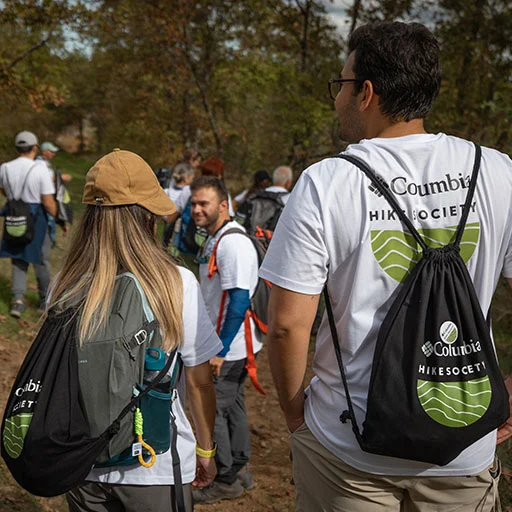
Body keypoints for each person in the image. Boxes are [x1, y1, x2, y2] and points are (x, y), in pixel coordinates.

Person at [259, 21, 512, 512]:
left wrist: (295, 414)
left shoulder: (327, 182)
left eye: (342, 85)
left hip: (348, 450)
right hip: (464, 442)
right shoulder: (498, 172)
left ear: (366, 93)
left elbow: (288, 325)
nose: (336, 99)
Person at [46, 149, 221, 512]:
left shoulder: (65, 285)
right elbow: (199, 381)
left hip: (81, 464)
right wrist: (205, 450)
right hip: (152, 465)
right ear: (145, 216)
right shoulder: (176, 282)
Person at [189, 176, 262, 504]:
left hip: (227, 348)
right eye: (193, 203)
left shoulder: (232, 244)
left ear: (223, 205)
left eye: (203, 204)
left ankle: (224, 478)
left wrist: (218, 350)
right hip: (228, 346)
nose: (196, 210)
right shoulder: (215, 237)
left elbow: (238, 301)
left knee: (212, 412)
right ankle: (240, 468)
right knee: (232, 408)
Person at [0, 131, 57, 317]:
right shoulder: (40, 169)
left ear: (17, 148)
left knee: (18, 258)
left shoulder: (5, 168)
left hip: (14, 216)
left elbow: (3, 190)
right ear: (35, 148)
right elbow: (48, 202)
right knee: (41, 260)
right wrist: (57, 217)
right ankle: (43, 301)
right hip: (35, 219)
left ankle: (17, 301)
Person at [163, 162, 195, 247]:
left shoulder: (169, 188)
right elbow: (178, 210)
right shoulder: (187, 191)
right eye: (192, 177)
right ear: (187, 178)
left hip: (166, 219)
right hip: (177, 226)